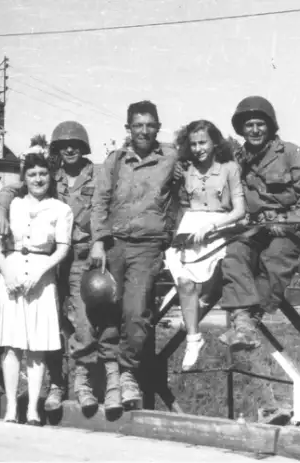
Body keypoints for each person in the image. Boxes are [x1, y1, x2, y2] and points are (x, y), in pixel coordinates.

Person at [0, 121, 104, 413]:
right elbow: (14, 187)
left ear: (84, 148)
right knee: (50, 326)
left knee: (82, 323)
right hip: (48, 264)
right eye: (63, 145)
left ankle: (81, 383)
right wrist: (1, 206)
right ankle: (56, 383)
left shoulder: (99, 175)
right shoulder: (50, 175)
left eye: (75, 145)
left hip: (79, 258)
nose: (70, 150)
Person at [90, 100, 179, 409]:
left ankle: (128, 374)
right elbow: (99, 201)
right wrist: (98, 241)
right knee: (107, 311)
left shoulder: (171, 158)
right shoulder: (115, 161)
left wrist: (175, 234)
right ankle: (112, 378)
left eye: (150, 125)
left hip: (148, 246)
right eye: (138, 125)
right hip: (113, 245)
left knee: (137, 313)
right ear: (128, 128)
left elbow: (195, 184)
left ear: (157, 126)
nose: (144, 130)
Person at [218, 96, 300, 350]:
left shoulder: (290, 153)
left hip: (292, 232)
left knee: (275, 256)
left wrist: (284, 220)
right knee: (235, 252)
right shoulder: (237, 160)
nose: (254, 130)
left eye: (260, 124)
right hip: (256, 230)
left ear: (271, 126)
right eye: (249, 125)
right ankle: (242, 319)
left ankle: (252, 319)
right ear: (241, 129)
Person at [0, 152, 73, 425]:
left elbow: (63, 247)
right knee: (11, 346)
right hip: (10, 275)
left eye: (43, 174)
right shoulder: (11, 205)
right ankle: (12, 408)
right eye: (32, 174)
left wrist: (41, 271)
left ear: (50, 177)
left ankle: (33, 410)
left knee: (37, 347)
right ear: (24, 177)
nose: (38, 179)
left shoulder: (61, 209)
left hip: (41, 278)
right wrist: (6, 272)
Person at [165, 120, 246, 370]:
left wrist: (213, 227)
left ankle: (197, 317)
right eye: (193, 144)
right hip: (190, 227)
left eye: (203, 142)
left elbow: (240, 210)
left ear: (214, 143)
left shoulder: (229, 168)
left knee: (211, 288)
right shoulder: (185, 169)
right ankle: (193, 339)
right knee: (185, 282)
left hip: (220, 226)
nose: (198, 148)